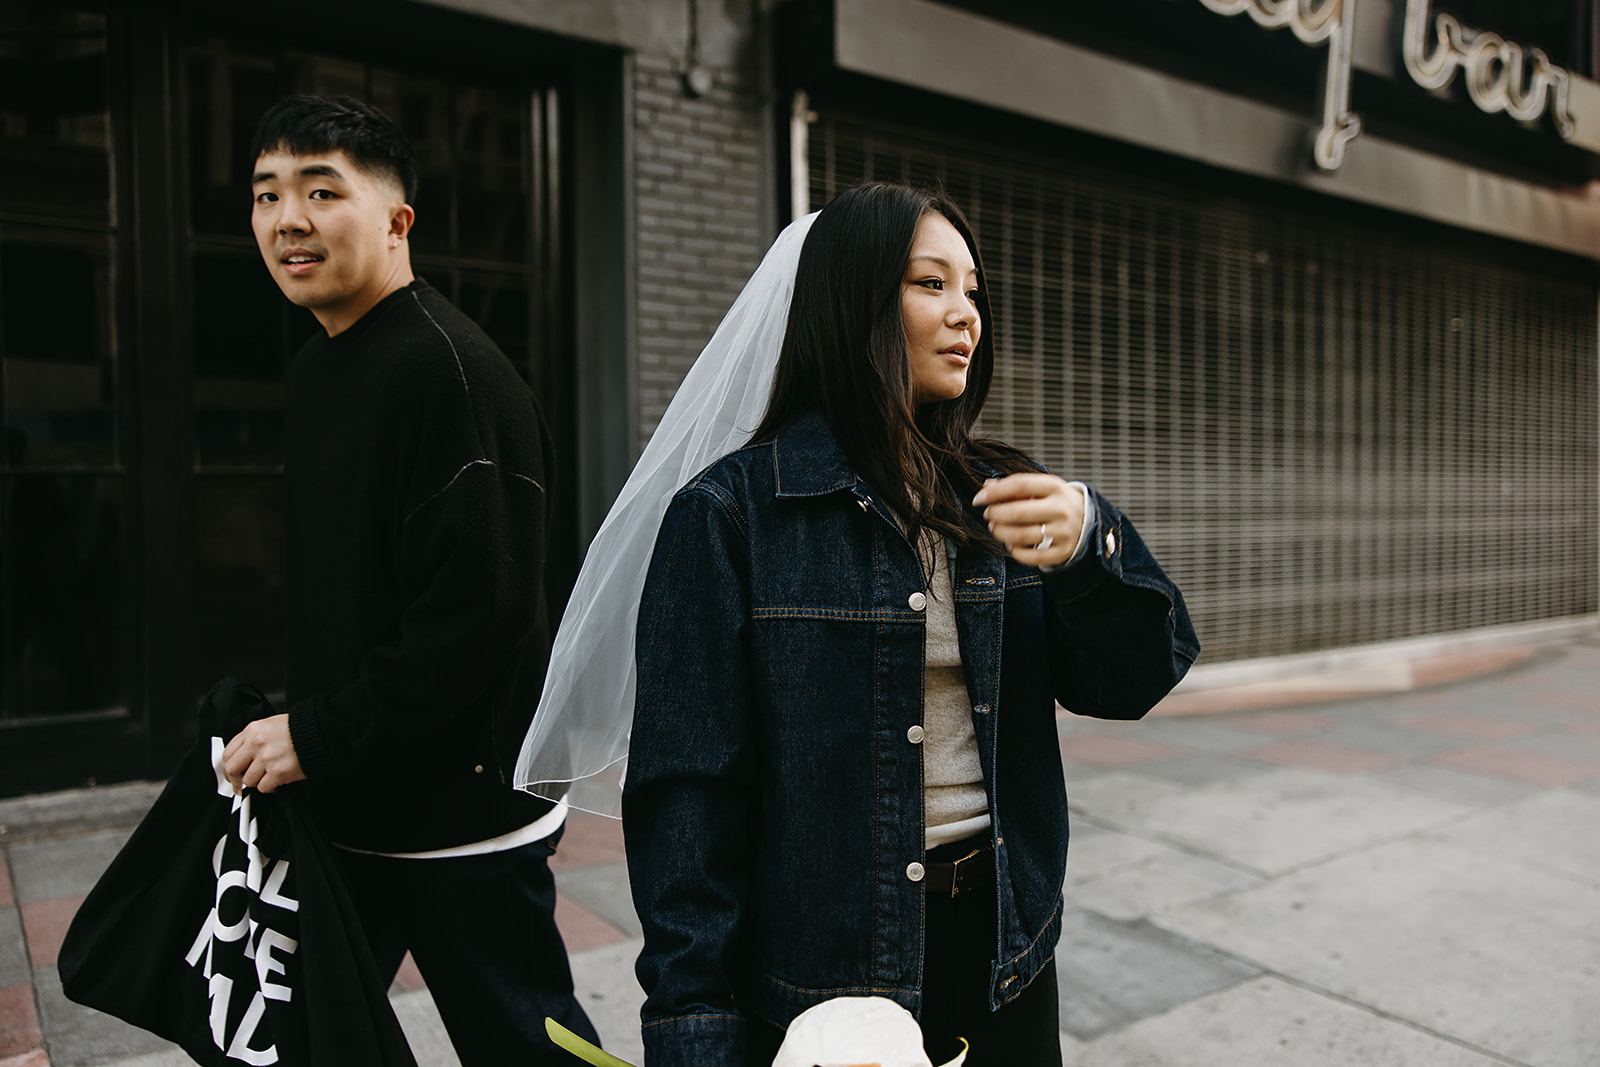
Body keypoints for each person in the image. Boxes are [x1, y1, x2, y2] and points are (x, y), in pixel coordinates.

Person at [621, 182, 1199, 1067]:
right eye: (931, 284)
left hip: (1003, 950)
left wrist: (1092, 547)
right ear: (853, 301)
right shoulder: (729, 516)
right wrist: (692, 1025)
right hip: (825, 978)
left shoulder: (1002, 493)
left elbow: (1133, 680)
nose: (966, 313)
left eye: (973, 288)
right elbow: (688, 794)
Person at [220, 94, 598, 1065]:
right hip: (355, 794)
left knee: (527, 1042)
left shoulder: (449, 372)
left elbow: (480, 614)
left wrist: (319, 730)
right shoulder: (321, 366)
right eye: (266, 194)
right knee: (308, 1037)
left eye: (319, 189)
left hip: (461, 812)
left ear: (397, 222)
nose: (286, 218)